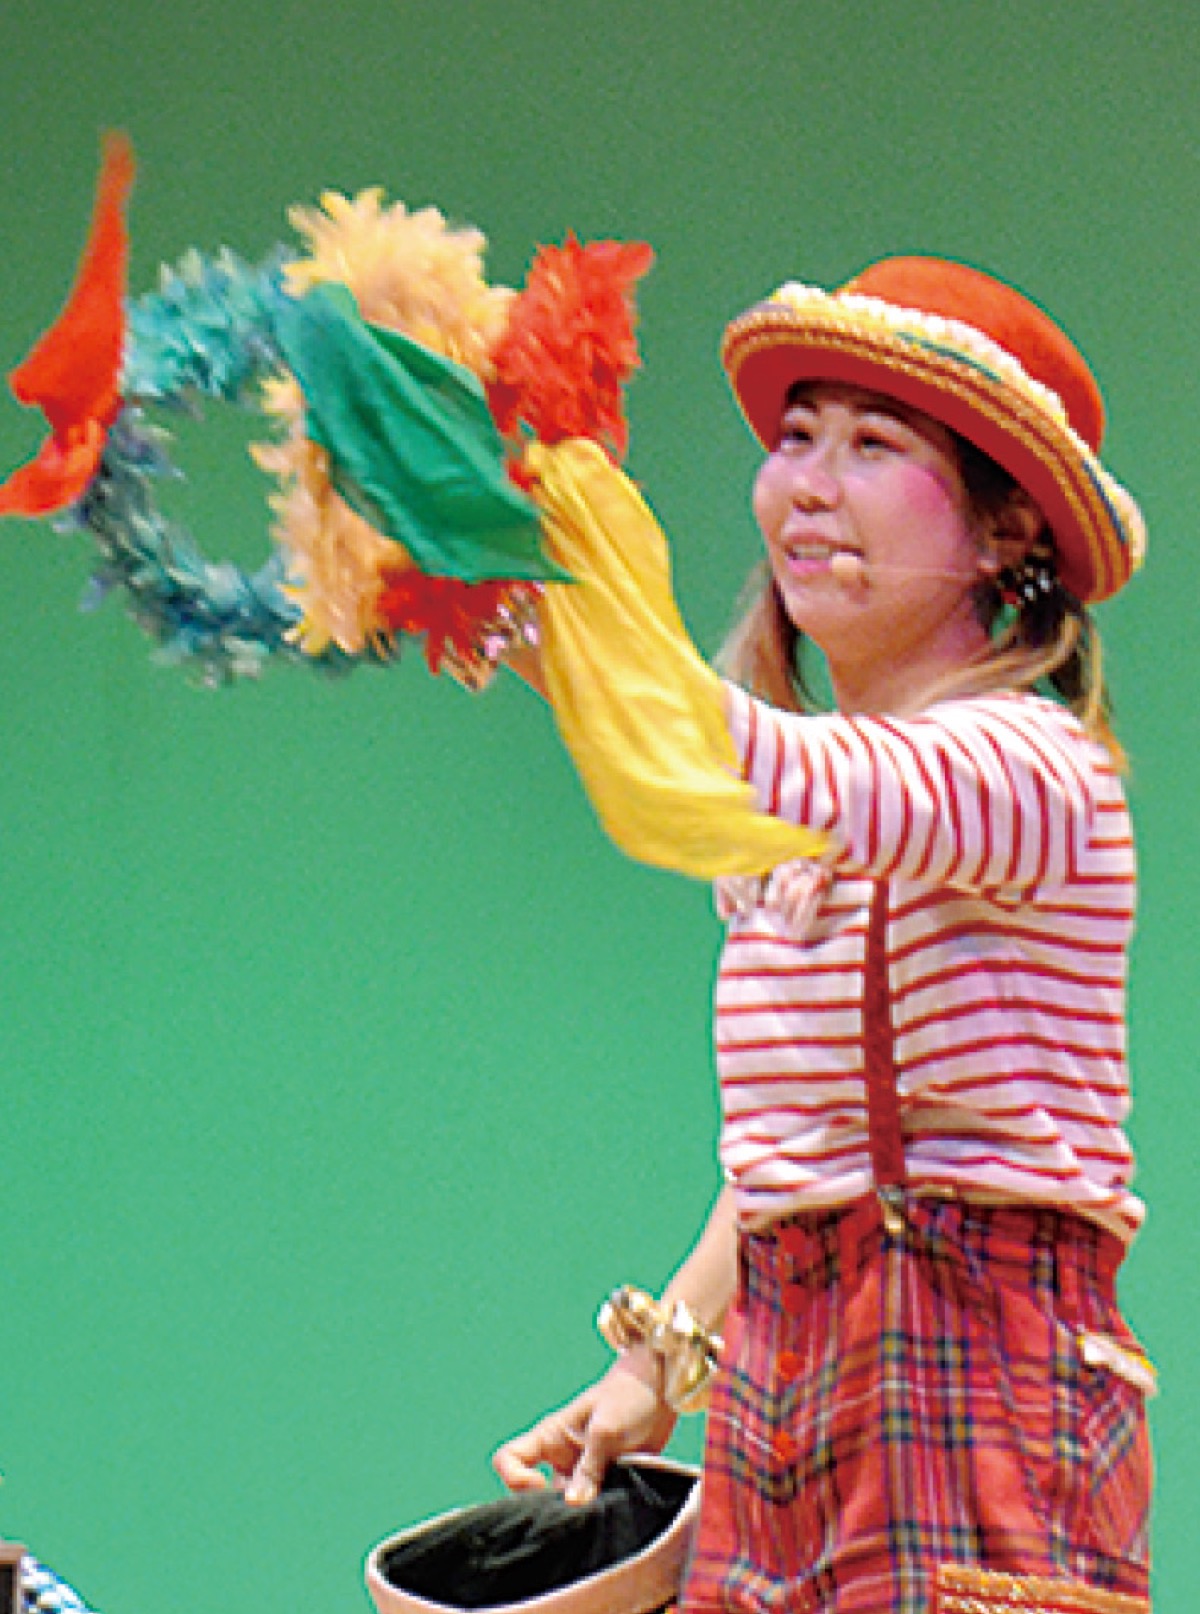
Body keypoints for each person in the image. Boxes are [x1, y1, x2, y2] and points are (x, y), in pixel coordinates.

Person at [493, 257, 1153, 1614]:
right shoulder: (796, 812)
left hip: (982, 1385)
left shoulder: (1032, 768)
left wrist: (558, 611)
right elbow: (794, 1160)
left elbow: (773, 769)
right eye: (797, 436)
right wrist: (658, 1362)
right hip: (784, 1385)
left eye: (873, 446)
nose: (809, 482)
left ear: (1004, 530)